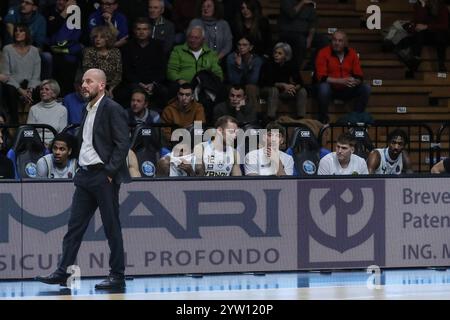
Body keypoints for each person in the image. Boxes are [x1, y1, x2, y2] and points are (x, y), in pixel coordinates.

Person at [35, 68, 131, 290]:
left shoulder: (112, 108)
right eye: (83, 81)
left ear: (101, 86)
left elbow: (122, 144)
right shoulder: (86, 109)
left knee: (111, 227)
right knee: (74, 228)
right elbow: (87, 142)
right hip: (85, 175)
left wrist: (109, 172)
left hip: (102, 175)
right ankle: (63, 272)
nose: (84, 85)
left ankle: (117, 275)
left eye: (89, 81)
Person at [315, 30, 371, 124]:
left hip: (347, 88)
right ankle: (323, 119)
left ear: (345, 43)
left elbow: (359, 75)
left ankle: (356, 117)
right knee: (323, 87)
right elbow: (321, 77)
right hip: (331, 89)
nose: (337, 43)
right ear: (331, 41)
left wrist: (355, 81)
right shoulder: (323, 53)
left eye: (340, 41)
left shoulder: (352, 53)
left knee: (366, 88)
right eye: (334, 40)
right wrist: (341, 81)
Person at [117, 17, 167, 110]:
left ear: (150, 31)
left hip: (153, 83)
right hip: (133, 83)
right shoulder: (128, 47)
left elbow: (162, 69)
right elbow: (126, 70)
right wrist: (139, 84)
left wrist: (153, 84)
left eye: (145, 29)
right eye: (138, 29)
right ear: (134, 31)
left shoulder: (158, 46)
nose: (141, 32)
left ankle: (159, 121)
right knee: (121, 93)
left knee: (164, 92)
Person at [2, 23, 41, 124]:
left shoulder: (34, 50)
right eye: (16, 31)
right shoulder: (7, 49)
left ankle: (35, 122)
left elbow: (36, 75)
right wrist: (20, 90)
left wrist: (30, 90)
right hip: (14, 83)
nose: (17, 33)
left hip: (30, 84)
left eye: (21, 31)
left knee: (39, 88)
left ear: (27, 33)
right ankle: (14, 121)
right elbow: (6, 74)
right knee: (9, 89)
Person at [260, 42, 307, 120]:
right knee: (274, 90)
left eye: (280, 53)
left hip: (286, 91)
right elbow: (267, 82)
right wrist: (282, 85)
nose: (276, 55)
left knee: (302, 91)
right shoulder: (268, 64)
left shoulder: (292, 65)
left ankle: (301, 118)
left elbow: (300, 83)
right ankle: (271, 118)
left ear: (286, 55)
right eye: (275, 52)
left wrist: (293, 88)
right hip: (269, 90)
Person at [278, 0, 328, 69]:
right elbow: (292, 14)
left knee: (324, 40)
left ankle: (311, 65)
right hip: (289, 33)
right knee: (301, 40)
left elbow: (313, 23)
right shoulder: (286, 1)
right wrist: (302, 2)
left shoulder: (310, 4)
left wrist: (310, 38)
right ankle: (296, 70)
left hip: (304, 34)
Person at [408, 0, 449, 74]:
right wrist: (422, 6)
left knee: (440, 35)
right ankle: (415, 62)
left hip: (438, 34)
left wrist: (427, 26)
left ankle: (441, 65)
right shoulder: (418, 6)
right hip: (425, 35)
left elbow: (445, 26)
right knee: (418, 34)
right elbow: (417, 21)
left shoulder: (441, 6)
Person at [82, 26, 122, 99]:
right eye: (95, 37)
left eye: (102, 37)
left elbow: (118, 73)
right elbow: (89, 72)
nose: (98, 39)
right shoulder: (89, 52)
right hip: (94, 85)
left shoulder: (116, 52)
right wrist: (103, 89)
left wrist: (110, 90)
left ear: (108, 39)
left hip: (114, 87)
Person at [226, 35, 263, 109]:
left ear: (251, 47)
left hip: (251, 86)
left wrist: (241, 67)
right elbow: (234, 81)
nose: (241, 47)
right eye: (239, 44)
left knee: (251, 88)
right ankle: (237, 113)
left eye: (245, 45)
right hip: (234, 86)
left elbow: (253, 81)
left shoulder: (256, 60)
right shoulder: (231, 58)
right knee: (237, 90)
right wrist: (238, 66)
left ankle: (255, 116)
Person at [27, 79, 67, 145]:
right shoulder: (33, 109)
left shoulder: (62, 110)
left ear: (54, 93)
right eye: (41, 89)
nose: (43, 91)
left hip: (55, 145)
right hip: (36, 144)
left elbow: (62, 133)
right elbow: (28, 131)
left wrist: (51, 144)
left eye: (47, 89)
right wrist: (38, 143)